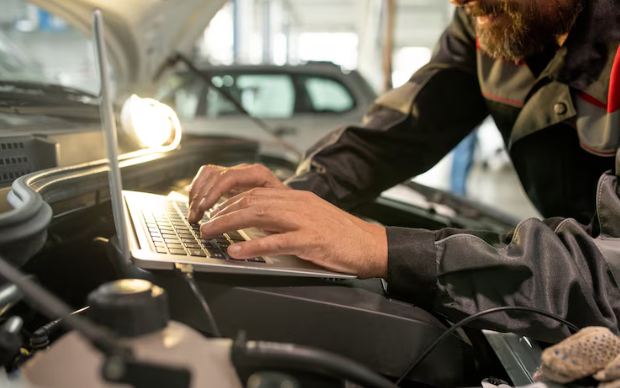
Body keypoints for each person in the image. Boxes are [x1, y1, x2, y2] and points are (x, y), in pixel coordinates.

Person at [187, 0, 620, 343]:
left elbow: (612, 273)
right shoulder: (492, 21)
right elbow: (396, 131)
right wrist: (290, 200)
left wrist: (380, 248)